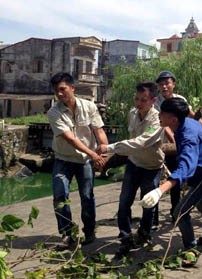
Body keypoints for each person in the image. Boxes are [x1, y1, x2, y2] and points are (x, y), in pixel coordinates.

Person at [138, 98, 202, 249]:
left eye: (162, 114)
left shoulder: (188, 134)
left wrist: (160, 190)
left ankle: (190, 248)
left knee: (180, 212)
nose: (159, 116)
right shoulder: (186, 123)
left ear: (173, 119)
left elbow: (186, 165)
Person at [97, 81, 164, 259]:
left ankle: (144, 233)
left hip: (152, 167)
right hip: (134, 164)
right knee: (124, 201)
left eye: (143, 100)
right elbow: (131, 141)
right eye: (136, 99)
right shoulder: (132, 114)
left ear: (153, 100)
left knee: (148, 204)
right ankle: (125, 236)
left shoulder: (157, 120)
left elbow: (141, 142)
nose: (138, 103)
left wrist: (109, 148)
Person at [47, 72, 108, 246]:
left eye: (62, 89)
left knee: (87, 196)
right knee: (60, 195)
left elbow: (99, 131)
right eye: (56, 91)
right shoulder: (53, 112)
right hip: (63, 158)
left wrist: (105, 152)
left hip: (84, 161)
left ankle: (89, 231)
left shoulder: (89, 106)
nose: (59, 94)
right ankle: (67, 234)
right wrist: (93, 154)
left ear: (72, 88)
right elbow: (70, 139)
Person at [155, 71, 193, 221]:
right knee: (155, 180)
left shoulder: (180, 99)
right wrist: (175, 141)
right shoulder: (156, 102)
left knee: (175, 178)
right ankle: (153, 218)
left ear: (173, 84)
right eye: (161, 83)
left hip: (175, 145)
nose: (164, 86)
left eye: (167, 83)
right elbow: (164, 125)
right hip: (162, 144)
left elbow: (190, 115)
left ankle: (175, 210)